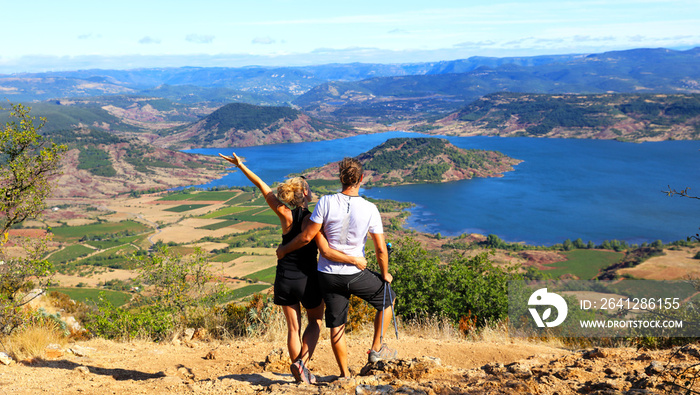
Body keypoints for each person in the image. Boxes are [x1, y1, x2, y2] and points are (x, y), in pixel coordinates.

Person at [219, 153, 366, 384]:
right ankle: (302, 364)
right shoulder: (315, 219)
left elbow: (261, 186)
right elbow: (326, 243)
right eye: (308, 187)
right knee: (315, 321)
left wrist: (241, 166)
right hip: (307, 279)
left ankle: (299, 375)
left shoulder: (284, 213)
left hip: (284, 278)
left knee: (292, 328)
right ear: (305, 193)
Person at [276, 157, 397, 378]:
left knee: (336, 325)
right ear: (361, 179)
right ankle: (377, 349)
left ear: (341, 178)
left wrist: (283, 250)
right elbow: (380, 249)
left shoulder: (325, 202)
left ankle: (344, 374)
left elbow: (308, 236)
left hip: (328, 274)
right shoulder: (370, 208)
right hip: (355, 273)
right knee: (388, 299)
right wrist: (384, 273)